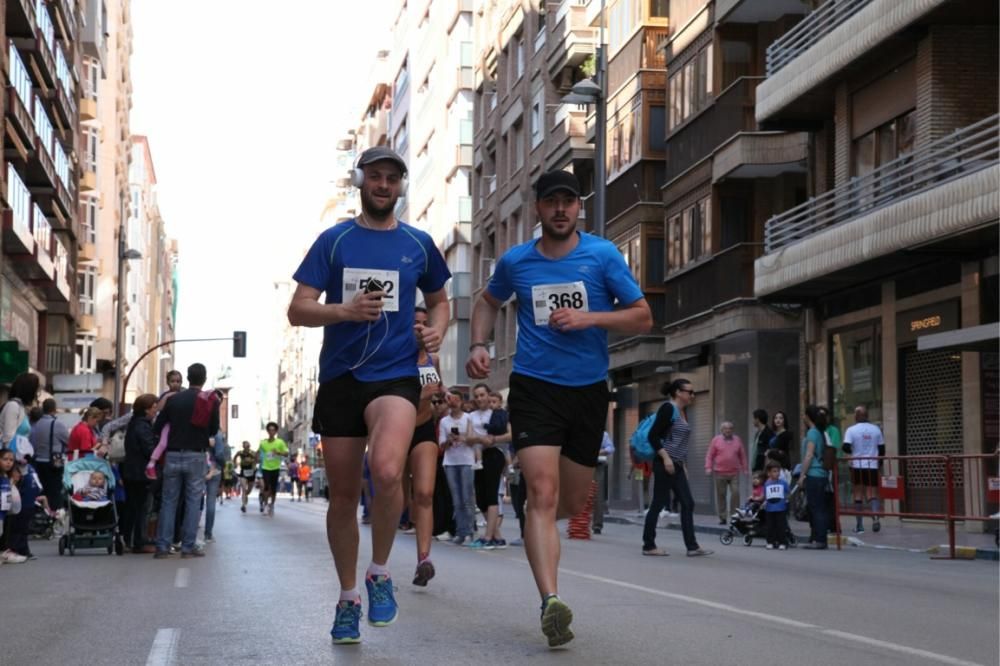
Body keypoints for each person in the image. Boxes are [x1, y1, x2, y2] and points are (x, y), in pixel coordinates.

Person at [465, 170, 652, 648]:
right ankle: (551, 601)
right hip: (534, 389)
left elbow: (642, 316)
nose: (561, 210)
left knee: (568, 502)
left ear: (579, 208)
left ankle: (537, 524)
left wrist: (590, 316)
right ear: (538, 209)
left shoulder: (602, 256)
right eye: (552, 202)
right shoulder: (517, 262)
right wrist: (479, 343)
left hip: (588, 390)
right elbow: (487, 300)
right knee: (543, 495)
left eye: (569, 201)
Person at [286, 145, 451, 643]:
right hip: (340, 378)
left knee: (384, 470)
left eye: (391, 178)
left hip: (395, 375)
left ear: (400, 186)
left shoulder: (419, 244)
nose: (383, 185)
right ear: (361, 182)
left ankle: (380, 572)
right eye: (375, 177)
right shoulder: (334, 242)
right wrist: (344, 311)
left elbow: (442, 302)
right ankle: (347, 597)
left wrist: (437, 331)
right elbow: (297, 309)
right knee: (341, 495)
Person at [152, 363, 220, 559]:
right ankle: (187, 547)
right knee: (192, 501)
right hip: (196, 455)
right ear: (204, 378)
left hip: (173, 454)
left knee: (168, 502)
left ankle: (163, 546)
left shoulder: (174, 399)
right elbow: (214, 429)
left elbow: (158, 426)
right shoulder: (210, 400)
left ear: (187, 378)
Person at [642, 378, 713, 559]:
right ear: (679, 393)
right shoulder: (668, 409)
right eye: (689, 392)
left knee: (687, 503)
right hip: (665, 463)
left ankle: (692, 546)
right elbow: (653, 436)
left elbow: (678, 442)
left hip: (677, 464)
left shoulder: (681, 412)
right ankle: (649, 545)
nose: (692, 395)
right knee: (658, 503)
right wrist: (666, 459)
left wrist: (683, 464)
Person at [406, 306, 444, 585]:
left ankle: (424, 558)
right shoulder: (393, 359)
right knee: (394, 491)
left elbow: (436, 392)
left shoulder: (433, 359)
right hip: (396, 430)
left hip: (423, 430)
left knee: (425, 492)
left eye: (424, 323)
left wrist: (444, 401)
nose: (420, 327)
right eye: (415, 322)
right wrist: (421, 396)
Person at [468, 383, 510, 550]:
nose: (479, 399)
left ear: (488, 395)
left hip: (495, 453)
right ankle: (497, 536)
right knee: (481, 496)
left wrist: (492, 440)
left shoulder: (497, 412)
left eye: (482, 395)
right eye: (477, 396)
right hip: (479, 455)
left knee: (491, 494)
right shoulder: (472, 415)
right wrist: (480, 439)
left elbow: (510, 434)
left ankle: (488, 536)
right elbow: (469, 437)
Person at [122, 394, 159, 553]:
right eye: (154, 408)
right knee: (142, 507)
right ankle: (139, 540)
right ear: (146, 410)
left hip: (131, 471)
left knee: (133, 506)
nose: (155, 412)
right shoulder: (143, 426)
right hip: (140, 473)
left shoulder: (134, 424)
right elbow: (149, 449)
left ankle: (129, 538)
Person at [438, 387, 476, 546]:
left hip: (466, 460)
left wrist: (462, 437)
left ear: (461, 402)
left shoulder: (469, 418)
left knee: (467, 498)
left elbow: (474, 440)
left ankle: (470, 531)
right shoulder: (444, 421)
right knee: (456, 499)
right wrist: (449, 440)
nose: (453, 403)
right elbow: (441, 445)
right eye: (450, 399)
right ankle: (460, 532)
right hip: (450, 462)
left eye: (456, 399)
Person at [843, 405, 885, 534]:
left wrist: (854, 452)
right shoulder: (876, 429)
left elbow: (845, 447)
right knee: (872, 494)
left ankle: (860, 526)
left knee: (858, 494)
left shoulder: (851, 430)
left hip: (857, 465)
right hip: (872, 466)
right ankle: (876, 518)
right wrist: (879, 464)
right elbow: (882, 449)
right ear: (867, 416)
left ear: (856, 416)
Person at [705, 421, 748, 525]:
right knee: (721, 495)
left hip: (734, 473)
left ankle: (734, 516)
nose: (728, 430)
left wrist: (745, 468)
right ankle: (723, 517)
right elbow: (710, 455)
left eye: (730, 428)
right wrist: (708, 467)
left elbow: (742, 455)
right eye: (726, 428)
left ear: (732, 430)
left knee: (736, 493)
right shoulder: (716, 440)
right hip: (720, 472)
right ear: (722, 430)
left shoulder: (737, 440)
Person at [800, 404, 830, 550]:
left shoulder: (812, 433)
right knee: (816, 507)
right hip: (821, 474)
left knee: (816, 507)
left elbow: (809, 454)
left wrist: (802, 474)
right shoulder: (820, 432)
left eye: (804, 415)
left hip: (814, 473)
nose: (803, 417)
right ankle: (816, 537)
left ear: (808, 416)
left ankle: (820, 539)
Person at [30, 398, 70, 508]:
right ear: (54, 409)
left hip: (38, 462)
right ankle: (54, 515)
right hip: (54, 462)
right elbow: (68, 441)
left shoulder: (37, 424)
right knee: (55, 491)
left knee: (43, 490)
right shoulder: (57, 424)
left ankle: (43, 515)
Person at [0, 372, 39, 453]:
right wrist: (10, 460)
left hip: (18, 459)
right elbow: (7, 438)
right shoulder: (13, 406)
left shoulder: (21, 407)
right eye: (35, 390)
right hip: (11, 459)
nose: (36, 394)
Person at [258, 422, 288, 515]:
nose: (271, 432)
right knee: (266, 487)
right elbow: (259, 453)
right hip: (265, 467)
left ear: (276, 431)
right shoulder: (263, 443)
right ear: (267, 431)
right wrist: (256, 459)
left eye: (273, 430)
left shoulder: (280, 442)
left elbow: (286, 453)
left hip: (275, 468)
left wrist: (278, 452)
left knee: (273, 489)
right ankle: (266, 505)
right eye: (269, 430)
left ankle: (272, 504)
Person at [763, 461, 790, 550]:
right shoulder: (767, 483)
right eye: (774, 471)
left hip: (781, 508)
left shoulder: (783, 483)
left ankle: (782, 542)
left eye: (778, 471)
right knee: (770, 526)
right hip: (770, 509)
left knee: (781, 526)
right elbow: (765, 495)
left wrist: (786, 500)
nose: (777, 473)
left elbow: (787, 493)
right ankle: (770, 541)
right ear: (769, 473)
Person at [592, 431, 614, 535]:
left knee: (598, 495)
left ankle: (597, 525)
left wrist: (599, 451)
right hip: (582, 465)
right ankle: (577, 525)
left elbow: (611, 448)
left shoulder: (602, 434)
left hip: (597, 466)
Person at [234, 441, 257, 513]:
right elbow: (235, 457)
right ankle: (243, 505)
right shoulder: (240, 452)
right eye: (245, 446)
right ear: (243, 447)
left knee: (249, 490)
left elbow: (257, 459)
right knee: (244, 488)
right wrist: (235, 464)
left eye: (247, 446)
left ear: (249, 446)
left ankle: (246, 495)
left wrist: (252, 461)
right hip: (243, 471)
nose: (246, 448)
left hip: (251, 472)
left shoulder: (252, 453)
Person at [750, 409, 773, 473]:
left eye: (754, 419)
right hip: (756, 467)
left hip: (762, 468)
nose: (753, 421)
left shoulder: (768, 433)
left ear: (757, 419)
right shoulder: (758, 433)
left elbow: (769, 452)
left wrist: (765, 470)